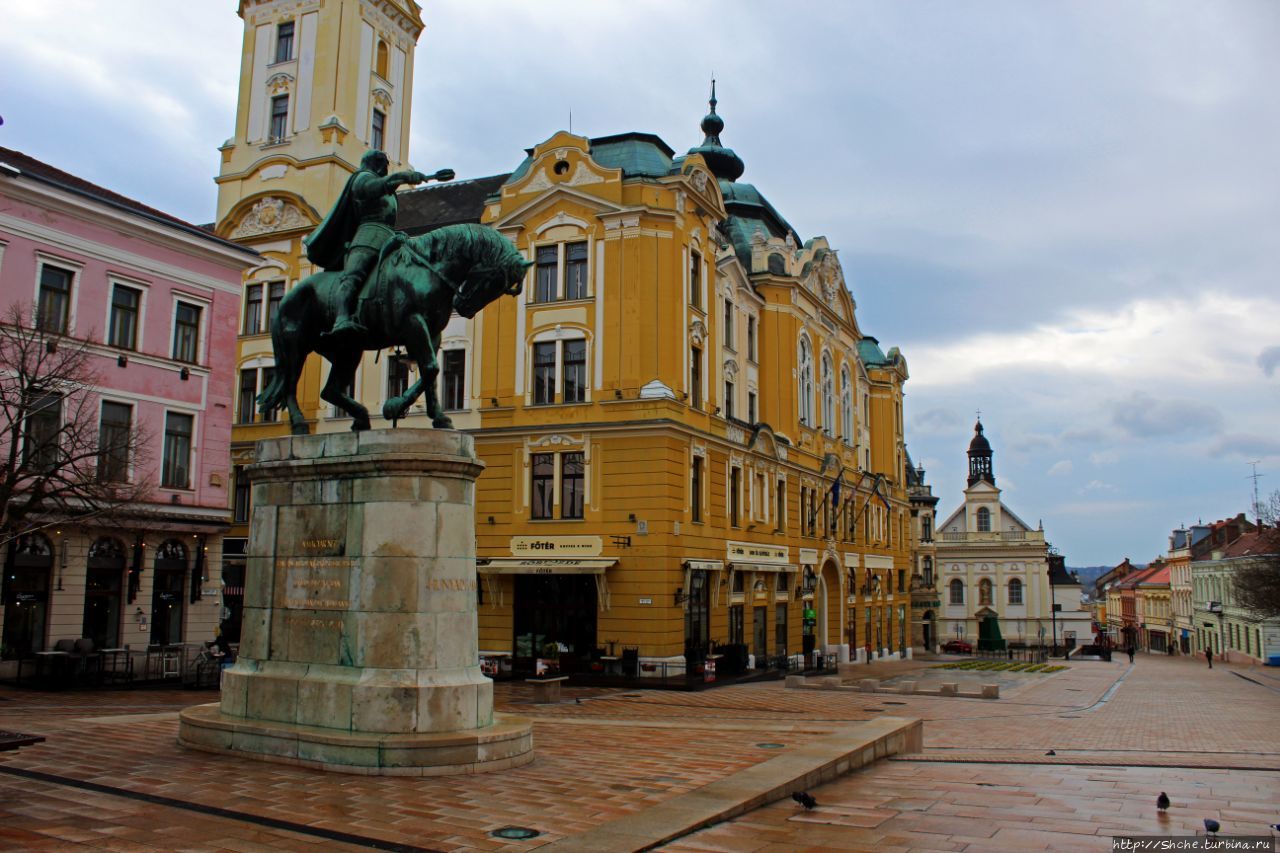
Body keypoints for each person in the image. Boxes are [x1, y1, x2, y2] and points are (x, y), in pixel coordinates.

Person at [303, 150, 447, 347]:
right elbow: (374, 188)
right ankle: (342, 317)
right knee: (353, 275)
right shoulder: (362, 178)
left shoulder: (385, 187)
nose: (387, 168)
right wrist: (402, 177)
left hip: (389, 236)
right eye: (385, 165)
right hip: (368, 236)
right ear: (379, 165)